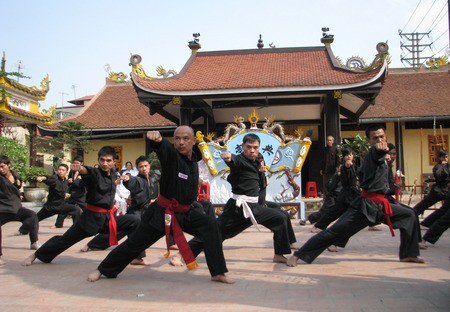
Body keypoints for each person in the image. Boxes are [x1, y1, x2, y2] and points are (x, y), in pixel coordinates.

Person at [86, 126, 233, 284]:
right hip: (162, 214)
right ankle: (103, 269)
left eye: (185, 139)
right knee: (135, 243)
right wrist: (158, 140)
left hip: (186, 212)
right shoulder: (172, 157)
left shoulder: (193, 159)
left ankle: (217, 272)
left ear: (193, 141)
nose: (181, 142)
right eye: (177, 139)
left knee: (211, 226)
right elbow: (165, 150)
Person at [287, 125, 424, 267]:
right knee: (335, 231)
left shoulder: (384, 158)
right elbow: (375, 155)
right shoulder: (373, 154)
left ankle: (409, 254)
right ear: (369, 140)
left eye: (381, 137)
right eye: (375, 138)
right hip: (365, 207)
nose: (379, 140)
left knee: (409, 214)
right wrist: (378, 151)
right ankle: (298, 255)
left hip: (381, 205)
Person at [176, 133, 292, 267]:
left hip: (254, 208)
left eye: (255, 147)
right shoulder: (239, 160)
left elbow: (259, 164)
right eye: (249, 147)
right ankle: (181, 255)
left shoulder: (257, 159)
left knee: (280, 218)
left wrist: (260, 169)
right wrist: (227, 158)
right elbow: (232, 160)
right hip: (238, 208)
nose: (252, 150)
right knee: (217, 233)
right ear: (243, 147)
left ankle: (279, 254)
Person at [22, 146, 141, 267]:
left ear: (114, 161)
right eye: (102, 160)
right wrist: (80, 168)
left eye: (108, 160)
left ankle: (135, 256)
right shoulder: (95, 173)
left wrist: (127, 178)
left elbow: (128, 183)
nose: (105, 163)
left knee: (134, 220)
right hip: (89, 220)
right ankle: (35, 255)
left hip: (106, 219)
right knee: (64, 241)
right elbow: (87, 171)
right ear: (98, 160)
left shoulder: (115, 175)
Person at [80, 155, 157, 265]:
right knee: (131, 233)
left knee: (120, 232)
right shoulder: (138, 179)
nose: (144, 168)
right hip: (136, 212)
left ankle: (93, 244)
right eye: (141, 167)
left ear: (149, 166)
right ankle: (137, 257)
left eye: (145, 166)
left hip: (147, 211)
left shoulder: (152, 179)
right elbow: (132, 181)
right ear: (137, 168)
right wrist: (127, 179)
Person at [0, 155, 40, 265]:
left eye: (2, 166)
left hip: (16, 208)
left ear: (9, 165)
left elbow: (17, 187)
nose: (0, 169)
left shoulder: (15, 175)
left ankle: (34, 242)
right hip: (3, 209)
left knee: (32, 215)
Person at [414, 150, 449, 227]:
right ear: (440, 158)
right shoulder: (437, 166)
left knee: (445, 209)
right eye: (444, 157)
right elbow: (437, 174)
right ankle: (410, 215)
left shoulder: (448, 166)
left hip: (447, 190)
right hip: (438, 190)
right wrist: (442, 167)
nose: (446, 159)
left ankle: (427, 222)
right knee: (424, 204)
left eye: (447, 157)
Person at [53, 155, 87, 229]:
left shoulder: (84, 172)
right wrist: (69, 181)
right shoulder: (72, 171)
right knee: (64, 208)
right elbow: (68, 182)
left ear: (81, 163)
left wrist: (79, 180)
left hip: (81, 195)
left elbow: (85, 184)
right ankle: (58, 224)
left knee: (84, 211)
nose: (75, 165)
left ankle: (79, 226)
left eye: (77, 163)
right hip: (72, 193)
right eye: (74, 163)